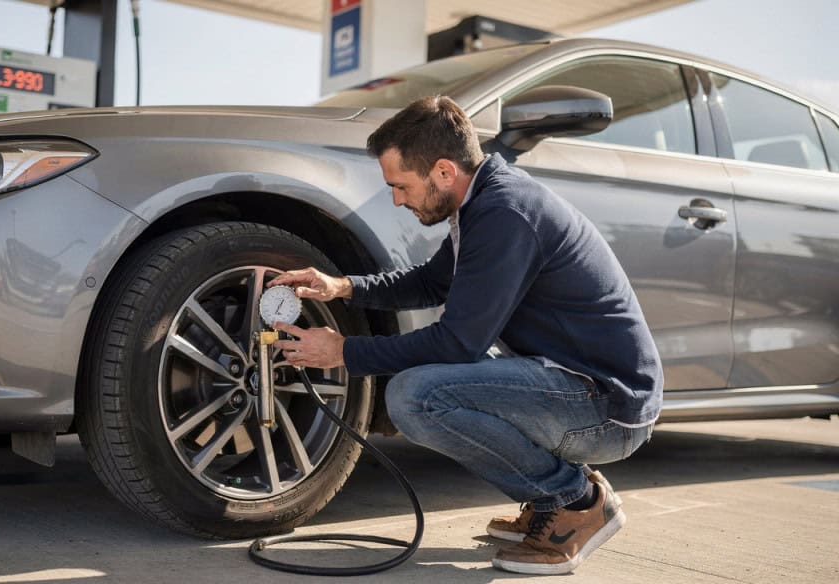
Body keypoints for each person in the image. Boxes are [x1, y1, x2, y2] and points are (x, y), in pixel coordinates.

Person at [266, 95, 663, 575]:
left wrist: (344, 352)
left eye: (401, 186)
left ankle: (575, 504)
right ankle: (550, 500)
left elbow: (458, 344)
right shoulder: (483, 203)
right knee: (426, 386)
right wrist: (343, 287)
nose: (396, 198)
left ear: (443, 172)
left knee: (416, 396)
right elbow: (432, 283)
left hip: (607, 407)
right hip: (574, 383)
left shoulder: (505, 214)